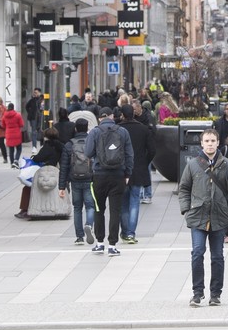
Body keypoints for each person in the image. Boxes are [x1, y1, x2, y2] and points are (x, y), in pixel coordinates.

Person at [178, 129, 228, 307]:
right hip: (198, 216)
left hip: (220, 217)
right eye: (207, 141)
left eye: (213, 140)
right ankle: (197, 293)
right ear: (201, 144)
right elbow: (183, 188)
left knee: (217, 256)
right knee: (197, 253)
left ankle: (216, 294)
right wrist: (186, 209)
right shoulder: (193, 165)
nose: (210, 144)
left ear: (218, 142)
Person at [85, 107, 134, 257]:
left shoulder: (94, 132)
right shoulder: (123, 132)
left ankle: (100, 244)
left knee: (99, 210)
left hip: (99, 175)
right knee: (115, 211)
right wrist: (128, 173)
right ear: (112, 116)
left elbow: (88, 152)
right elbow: (129, 154)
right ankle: (112, 245)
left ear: (100, 118)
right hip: (118, 176)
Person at [118, 105, 155, 244]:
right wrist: (144, 162)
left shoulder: (118, 129)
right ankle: (131, 233)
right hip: (138, 169)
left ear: (122, 114)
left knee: (123, 203)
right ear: (133, 114)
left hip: (122, 170)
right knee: (135, 202)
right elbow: (152, 150)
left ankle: (126, 231)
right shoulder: (143, 129)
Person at [58, 119, 96, 245]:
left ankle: (79, 237)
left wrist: (62, 186)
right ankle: (89, 225)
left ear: (75, 129)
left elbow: (63, 166)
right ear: (87, 128)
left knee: (77, 208)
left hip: (75, 180)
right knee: (90, 206)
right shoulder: (92, 141)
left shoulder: (69, 145)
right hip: (89, 179)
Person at [15, 126, 64, 219]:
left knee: (27, 188)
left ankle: (25, 210)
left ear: (47, 136)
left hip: (45, 173)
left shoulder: (48, 146)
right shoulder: (60, 146)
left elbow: (38, 158)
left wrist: (33, 157)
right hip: (55, 172)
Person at [1, 103, 25, 168]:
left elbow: (3, 125)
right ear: (13, 108)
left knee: (11, 149)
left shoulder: (4, 116)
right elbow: (21, 124)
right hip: (17, 133)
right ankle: (16, 160)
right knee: (19, 149)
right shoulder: (17, 115)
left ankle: (12, 163)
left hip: (8, 133)